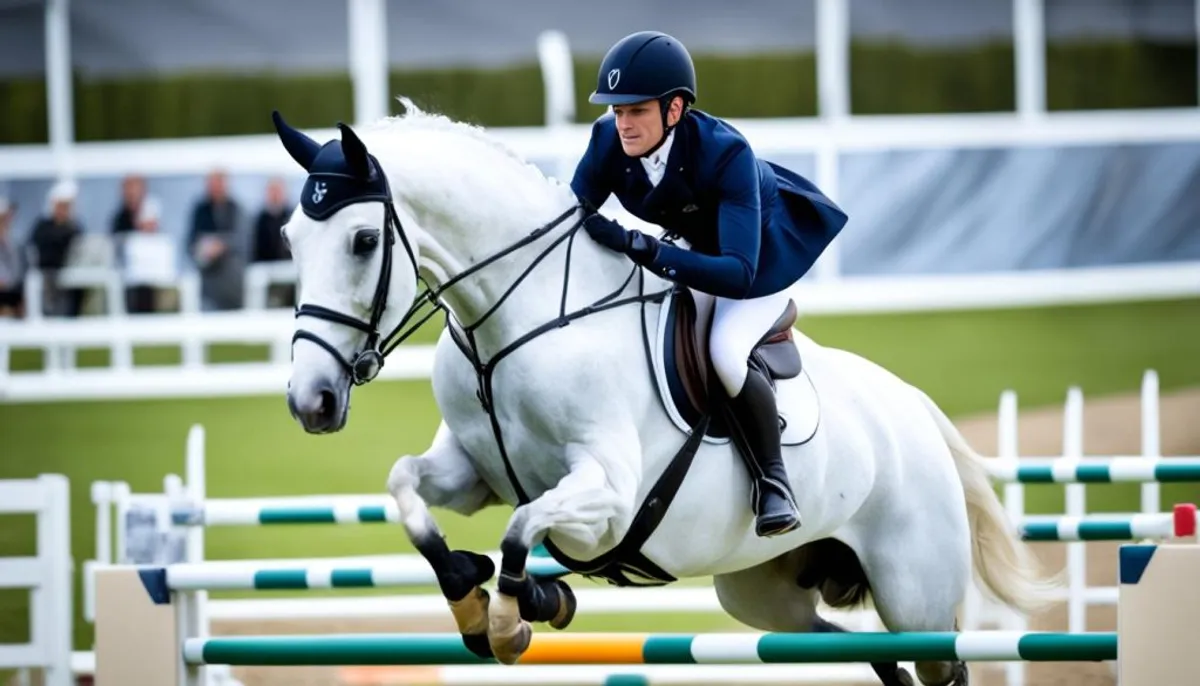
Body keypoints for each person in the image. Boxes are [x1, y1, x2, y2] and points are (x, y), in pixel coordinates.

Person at [570, 30, 849, 538]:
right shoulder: (608, 139)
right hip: (692, 249)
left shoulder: (726, 154)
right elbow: (574, 211)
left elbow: (737, 271)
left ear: (675, 109)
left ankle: (773, 481)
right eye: (617, 111)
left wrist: (646, 248)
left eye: (637, 110)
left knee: (723, 349)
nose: (623, 123)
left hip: (757, 263)